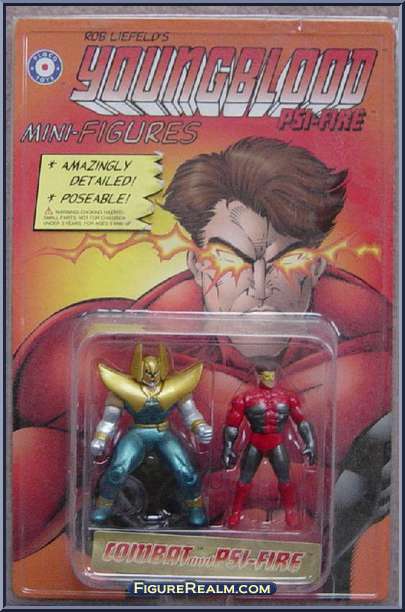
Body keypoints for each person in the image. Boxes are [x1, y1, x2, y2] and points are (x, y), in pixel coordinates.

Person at [13, 138, 391, 591]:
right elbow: (23, 509)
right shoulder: (102, 354)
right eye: (231, 259)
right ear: (198, 265)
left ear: (314, 269)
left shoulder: (375, 357)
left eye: (286, 261)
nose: (259, 286)